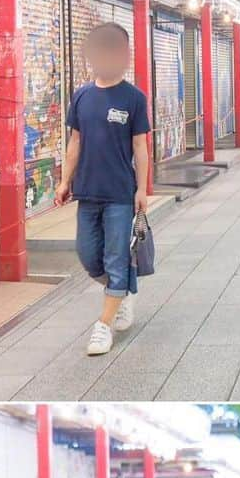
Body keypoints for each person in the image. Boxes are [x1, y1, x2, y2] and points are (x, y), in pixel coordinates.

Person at [56, 22, 149, 357]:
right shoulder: (81, 95)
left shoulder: (134, 98)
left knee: (115, 256)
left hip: (121, 194)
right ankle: (124, 288)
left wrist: (142, 188)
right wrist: (65, 180)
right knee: (88, 255)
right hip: (87, 191)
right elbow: (74, 142)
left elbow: (140, 146)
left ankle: (104, 325)